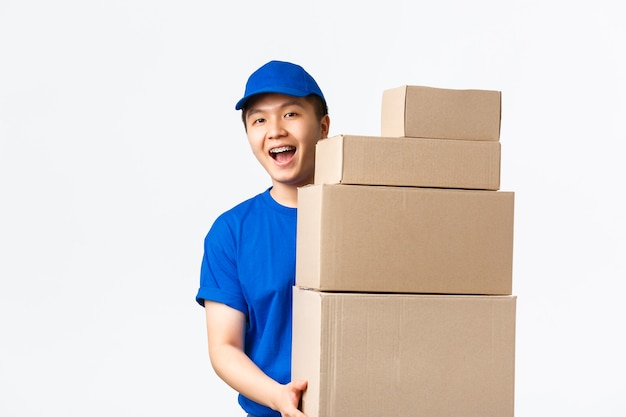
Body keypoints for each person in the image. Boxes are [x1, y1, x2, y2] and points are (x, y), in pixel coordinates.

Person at [195, 60, 330, 417]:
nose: (274, 131)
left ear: (323, 127)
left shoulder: (368, 215)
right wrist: (278, 397)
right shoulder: (231, 233)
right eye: (259, 120)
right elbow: (224, 346)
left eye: (290, 114)